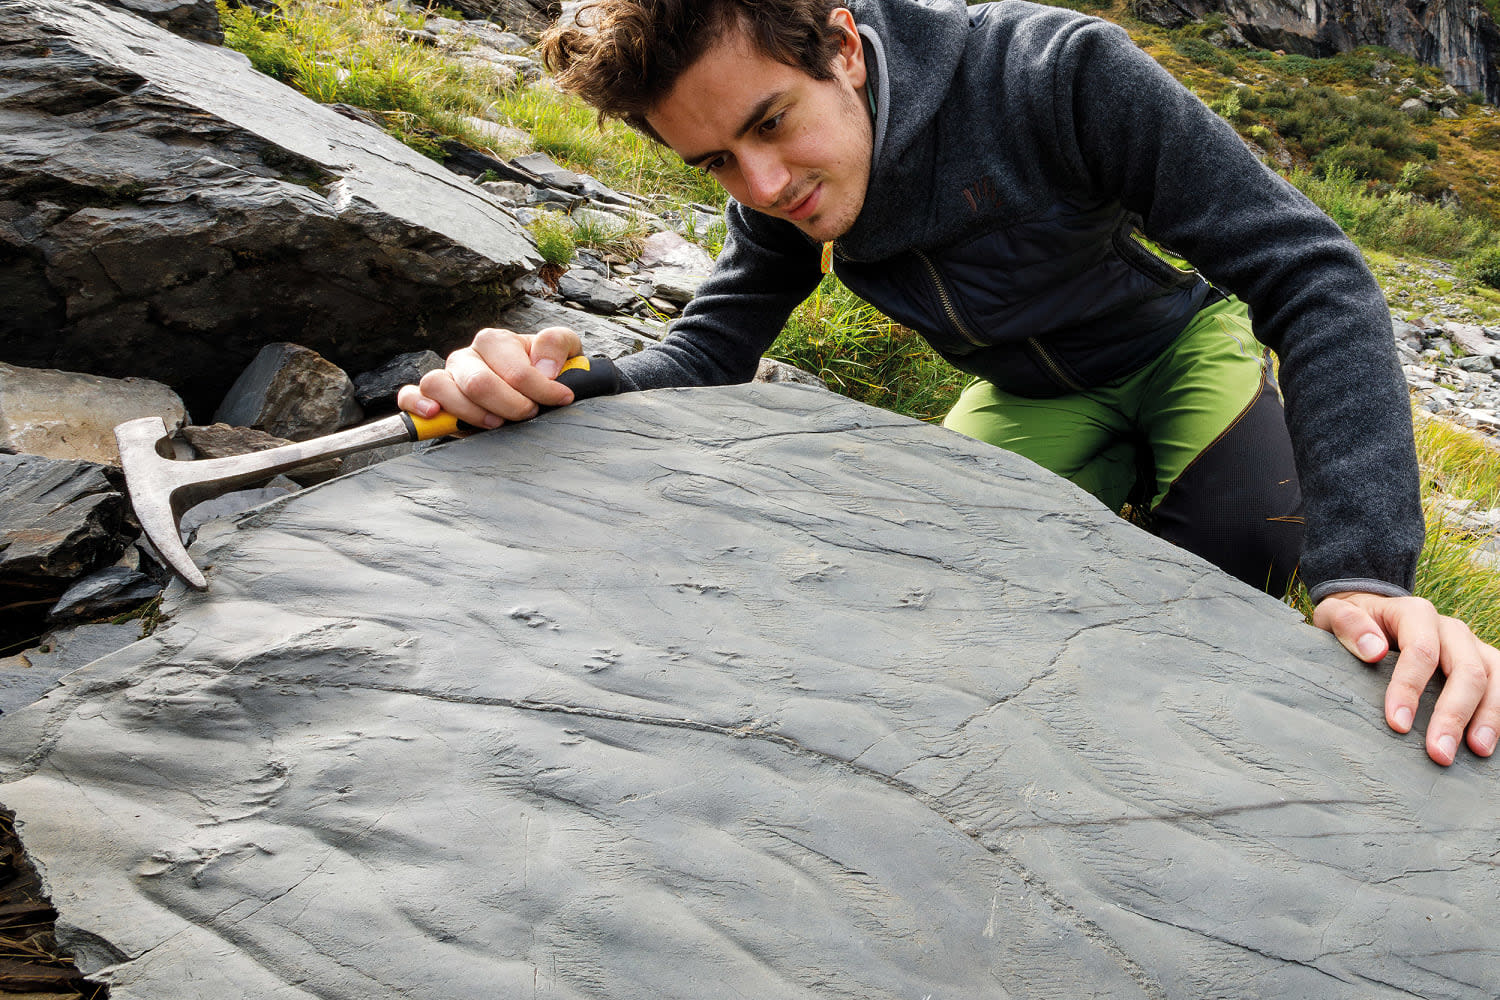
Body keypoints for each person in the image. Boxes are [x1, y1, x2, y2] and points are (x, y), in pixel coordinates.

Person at [398, 0, 1500, 766]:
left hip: (1177, 349)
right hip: (1023, 393)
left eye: (770, 124)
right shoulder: (773, 190)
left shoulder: (1055, 74)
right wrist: (553, 386)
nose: (765, 184)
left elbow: (1312, 275)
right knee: (954, 614)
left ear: (845, 49)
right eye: (718, 164)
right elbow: (703, 360)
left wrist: (1371, 573)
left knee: (1248, 538)